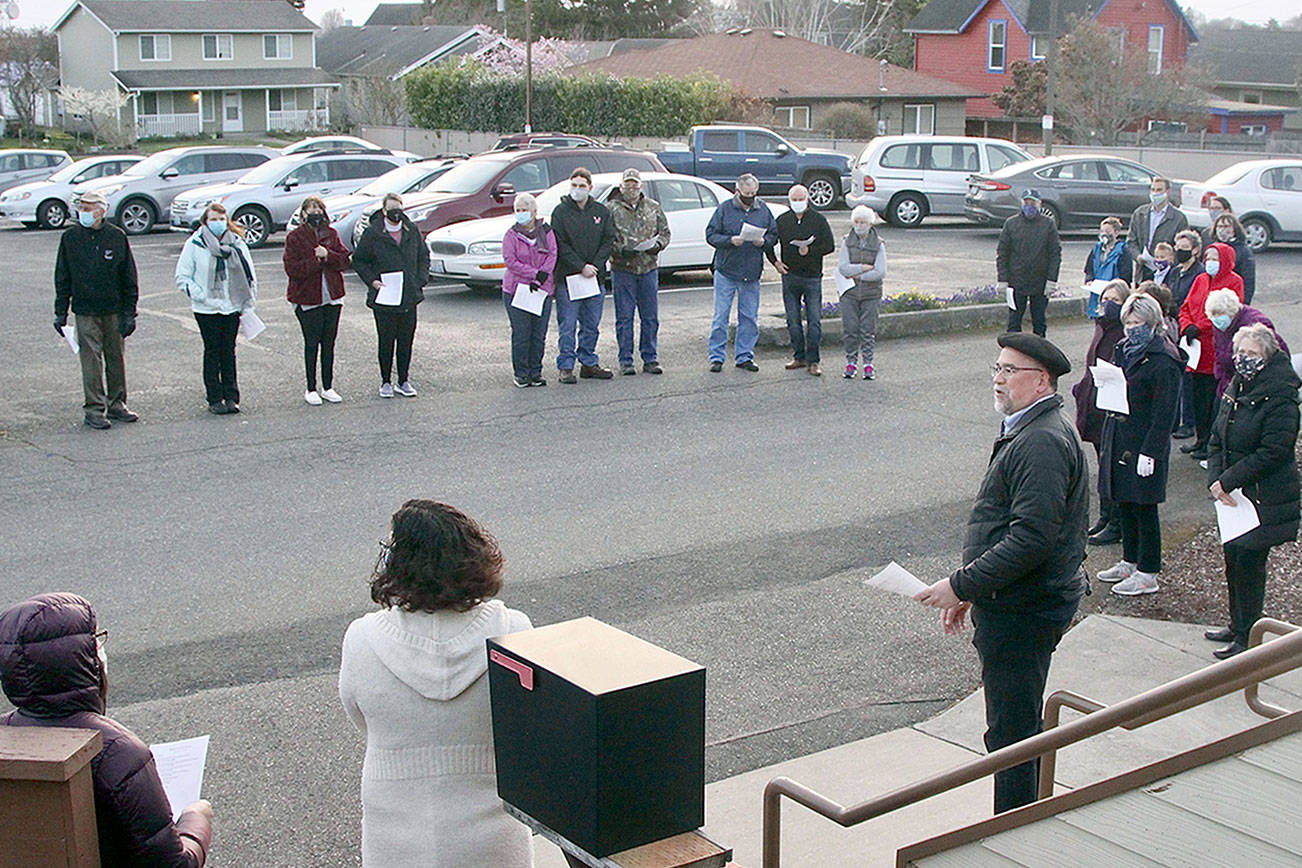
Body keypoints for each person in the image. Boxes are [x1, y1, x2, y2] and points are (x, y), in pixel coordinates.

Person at [915, 333, 1087, 814]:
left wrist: (961, 584)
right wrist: (975, 590)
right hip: (1011, 600)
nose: (998, 379)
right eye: (997, 368)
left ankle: (1013, 829)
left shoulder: (1042, 441)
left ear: (1042, 381)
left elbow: (1032, 538)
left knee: (1012, 735)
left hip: (1024, 610)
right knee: (1012, 728)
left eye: (1010, 371)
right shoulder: (1030, 429)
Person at [339, 500, 533, 867]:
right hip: (494, 843)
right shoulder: (514, 631)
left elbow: (360, 717)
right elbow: (530, 726)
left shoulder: (361, 638)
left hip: (393, 843)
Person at [0, 593, 214, 866]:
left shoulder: (4, 735)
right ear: (85, 661)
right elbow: (172, 865)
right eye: (96, 641)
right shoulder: (116, 752)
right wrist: (197, 820)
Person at [1205, 324, 1301, 658]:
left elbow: (1275, 449)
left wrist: (1228, 480)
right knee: (1233, 560)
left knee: (1249, 564)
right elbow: (1217, 435)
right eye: (1240, 353)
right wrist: (1216, 480)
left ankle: (1249, 635)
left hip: (1262, 495)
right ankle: (1237, 625)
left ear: (1268, 356)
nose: (1243, 360)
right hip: (1233, 495)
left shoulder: (1282, 394)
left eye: (1251, 354)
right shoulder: (1237, 384)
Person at [1095, 294, 1182, 596]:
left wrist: (1152, 451)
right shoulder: (1124, 349)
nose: (1132, 328)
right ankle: (1130, 560)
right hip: (1122, 436)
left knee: (1145, 508)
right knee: (1126, 502)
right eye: (1128, 323)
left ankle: (1148, 570)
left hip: (1145, 441)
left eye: (1138, 323)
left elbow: (1165, 412)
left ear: (1153, 322)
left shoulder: (1163, 360)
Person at [53, 189, 139, 429]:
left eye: (89, 208)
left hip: (113, 307)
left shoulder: (116, 236)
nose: (84, 213)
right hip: (85, 309)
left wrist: (129, 312)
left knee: (115, 357)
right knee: (91, 360)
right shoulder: (70, 238)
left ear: (102, 211)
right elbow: (63, 275)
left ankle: (117, 403)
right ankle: (93, 408)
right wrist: (61, 310)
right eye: (81, 208)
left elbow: (128, 276)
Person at [175, 202, 257, 415]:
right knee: (212, 351)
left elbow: (249, 275)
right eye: (213, 219)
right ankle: (214, 397)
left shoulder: (237, 243)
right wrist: (201, 295)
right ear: (205, 221)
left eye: (221, 219)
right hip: (206, 308)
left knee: (228, 351)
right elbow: (182, 277)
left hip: (231, 306)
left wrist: (247, 303)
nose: (218, 223)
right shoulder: (195, 243)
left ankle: (231, 396)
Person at [353, 193, 429, 398]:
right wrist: (373, 281)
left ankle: (403, 380)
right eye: (392, 210)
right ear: (384, 211)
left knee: (406, 340)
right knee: (386, 341)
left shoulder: (411, 230)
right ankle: (385, 381)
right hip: (385, 296)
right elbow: (359, 261)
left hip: (408, 295)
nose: (396, 214)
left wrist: (420, 279)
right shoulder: (373, 233)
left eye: (399, 209)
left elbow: (423, 256)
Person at [1073, 279, 1129, 546]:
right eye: (1106, 298)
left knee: (1113, 468)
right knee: (1102, 464)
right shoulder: (1101, 327)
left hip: (1113, 407)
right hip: (1095, 405)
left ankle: (1117, 522)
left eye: (1116, 300)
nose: (1108, 304)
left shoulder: (1124, 332)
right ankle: (1106, 517)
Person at [1178, 242, 1245, 460]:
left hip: (1217, 348)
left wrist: (1202, 326)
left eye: (1215, 258)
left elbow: (1230, 310)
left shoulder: (1235, 281)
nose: (1210, 262)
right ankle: (1200, 439)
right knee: (1198, 398)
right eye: (1207, 258)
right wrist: (1186, 325)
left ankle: (1212, 443)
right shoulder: (1200, 280)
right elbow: (1186, 306)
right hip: (1196, 348)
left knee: (1213, 399)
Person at [706, 173, 778, 372]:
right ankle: (716, 357)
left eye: (754, 194)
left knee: (749, 316)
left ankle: (744, 356)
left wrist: (764, 242)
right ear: (737, 191)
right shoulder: (724, 209)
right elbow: (711, 234)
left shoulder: (763, 209)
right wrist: (729, 241)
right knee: (721, 316)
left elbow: (773, 233)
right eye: (747, 194)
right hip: (727, 269)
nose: (750, 197)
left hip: (751, 271)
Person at [284, 195, 351, 405]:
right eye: (310, 210)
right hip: (307, 298)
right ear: (303, 214)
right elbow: (292, 269)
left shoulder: (331, 234)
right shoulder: (295, 237)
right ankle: (311, 387)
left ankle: (328, 386)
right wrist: (316, 260)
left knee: (329, 343)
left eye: (318, 210)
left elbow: (343, 261)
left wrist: (327, 254)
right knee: (312, 342)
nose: (315, 214)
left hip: (332, 297)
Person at [551, 167, 615, 383]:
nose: (577, 190)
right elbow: (560, 244)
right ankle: (566, 366)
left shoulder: (601, 211)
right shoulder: (560, 212)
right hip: (569, 278)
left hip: (594, 277)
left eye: (582, 186)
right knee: (567, 324)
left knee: (591, 324)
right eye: (574, 185)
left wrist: (595, 265)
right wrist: (580, 266)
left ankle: (588, 362)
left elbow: (608, 240)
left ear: (590, 187)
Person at [609, 168, 670, 376]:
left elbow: (665, 232)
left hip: (648, 268)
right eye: (628, 184)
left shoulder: (653, 207)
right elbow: (606, 239)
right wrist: (620, 250)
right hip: (623, 269)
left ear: (641, 186)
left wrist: (658, 245)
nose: (632, 188)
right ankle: (626, 361)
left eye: (635, 184)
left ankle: (650, 358)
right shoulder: (611, 209)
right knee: (625, 318)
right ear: (621, 186)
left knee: (650, 317)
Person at [771, 183, 835, 377]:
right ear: (789, 201)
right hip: (790, 276)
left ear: (808, 199)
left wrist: (811, 250)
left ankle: (813, 360)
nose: (798, 203)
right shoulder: (782, 220)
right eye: (795, 200)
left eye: (801, 199)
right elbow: (768, 242)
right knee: (793, 320)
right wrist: (775, 262)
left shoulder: (818, 219)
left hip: (812, 277)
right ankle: (798, 356)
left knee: (814, 320)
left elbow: (829, 245)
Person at [501, 192, 557, 387]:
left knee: (538, 333)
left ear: (534, 212)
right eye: (518, 210)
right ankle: (521, 373)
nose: (522, 213)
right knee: (521, 333)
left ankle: (536, 371)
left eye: (525, 210)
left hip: (542, 289)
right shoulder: (511, 235)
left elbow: (552, 254)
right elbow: (511, 261)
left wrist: (542, 276)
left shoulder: (546, 231)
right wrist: (533, 274)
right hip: (517, 289)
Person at [996, 189, 1060, 337]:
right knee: (1014, 321)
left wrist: (1052, 280)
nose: (1029, 206)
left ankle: (1039, 352)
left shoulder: (1048, 224)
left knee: (1039, 321)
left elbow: (1055, 254)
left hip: (1040, 281)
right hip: (1016, 281)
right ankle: (1013, 351)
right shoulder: (1011, 224)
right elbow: (1002, 254)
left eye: (1032, 202)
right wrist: (1002, 279)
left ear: (1039, 204)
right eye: (1026, 202)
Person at [1206, 288, 1288, 397]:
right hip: (1229, 384)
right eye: (1213, 315)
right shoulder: (1221, 326)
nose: (1216, 319)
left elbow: (1276, 355)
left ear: (1231, 311)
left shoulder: (1255, 324)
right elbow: (1219, 353)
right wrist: (1221, 378)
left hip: (1254, 388)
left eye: (1219, 314)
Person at [837, 205, 887, 379]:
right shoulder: (846, 241)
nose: (859, 225)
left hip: (871, 294)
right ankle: (851, 362)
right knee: (850, 329)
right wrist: (863, 269)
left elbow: (880, 272)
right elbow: (843, 268)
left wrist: (858, 275)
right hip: (849, 293)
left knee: (868, 330)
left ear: (870, 224)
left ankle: (868, 363)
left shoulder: (879, 244)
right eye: (856, 221)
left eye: (863, 222)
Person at [1168, 229, 1205, 440]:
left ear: (1196, 250)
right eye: (1177, 248)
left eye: (1184, 249)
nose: (1179, 252)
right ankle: (1176, 419)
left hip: (1190, 332)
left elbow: (1193, 304)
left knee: (1188, 379)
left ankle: (1189, 422)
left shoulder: (1199, 274)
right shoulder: (1175, 271)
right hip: (1175, 327)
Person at [1126, 176, 1188, 284]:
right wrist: (1138, 256)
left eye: (1159, 190)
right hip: (1143, 271)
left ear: (1167, 192)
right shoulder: (1140, 214)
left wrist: (1167, 259)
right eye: (1153, 190)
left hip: (1167, 273)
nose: (1155, 193)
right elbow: (1131, 241)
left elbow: (1182, 246)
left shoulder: (1178, 218)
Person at [1209, 211, 1257, 304]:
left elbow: (1248, 281)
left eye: (1226, 226)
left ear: (1234, 229)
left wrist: (1244, 304)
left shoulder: (1243, 251)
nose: (1222, 230)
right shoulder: (1212, 248)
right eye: (1219, 226)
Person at [1084, 216, 1128, 283]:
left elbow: (1126, 275)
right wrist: (1089, 280)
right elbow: (1089, 270)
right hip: (1096, 289)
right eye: (1102, 231)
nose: (1104, 234)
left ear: (1116, 232)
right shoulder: (1096, 249)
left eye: (1107, 231)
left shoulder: (1122, 251)